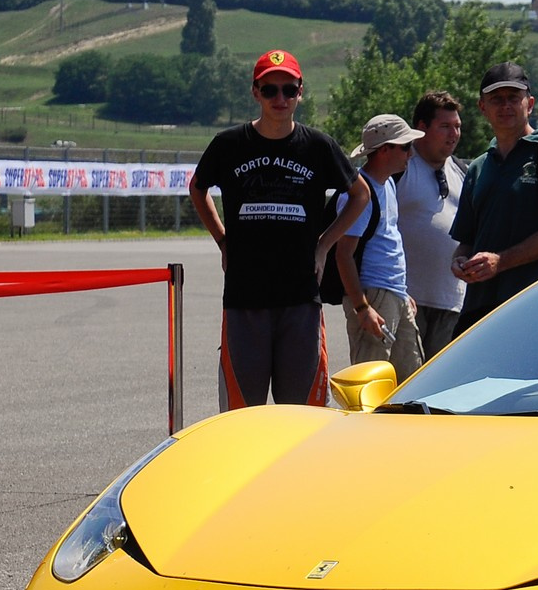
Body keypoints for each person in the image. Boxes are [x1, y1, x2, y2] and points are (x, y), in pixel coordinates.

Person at [189, 49, 370, 410]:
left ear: (301, 91)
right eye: (270, 90)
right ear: (255, 92)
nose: (280, 99)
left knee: (301, 415)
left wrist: (324, 245)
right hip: (244, 299)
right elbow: (197, 187)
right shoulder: (230, 145)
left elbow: (360, 195)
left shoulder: (317, 146)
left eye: (289, 89)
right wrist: (223, 239)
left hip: (301, 299)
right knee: (243, 415)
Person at [449, 62, 538, 336]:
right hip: (478, 310)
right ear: (482, 108)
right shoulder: (478, 167)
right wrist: (459, 262)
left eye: (513, 97)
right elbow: (467, 241)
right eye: (496, 99)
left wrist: (500, 261)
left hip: (532, 307)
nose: (505, 105)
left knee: (531, 381)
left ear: (529, 103)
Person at [335, 114, 426, 382]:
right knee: (370, 380)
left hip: (394, 294)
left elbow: (387, 239)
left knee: (410, 377)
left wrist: (402, 292)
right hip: (372, 295)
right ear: (385, 150)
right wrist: (362, 308)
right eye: (406, 147)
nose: (411, 154)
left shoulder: (387, 185)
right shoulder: (358, 194)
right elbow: (343, 254)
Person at [394, 91, 466, 360]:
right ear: (421, 128)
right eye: (445, 126)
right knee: (405, 385)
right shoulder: (398, 167)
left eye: (457, 126)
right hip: (406, 301)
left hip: (452, 300)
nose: (454, 134)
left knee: (441, 388)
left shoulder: (463, 172)